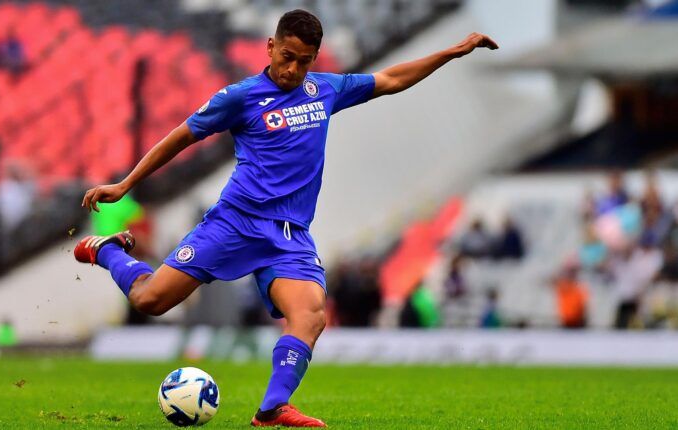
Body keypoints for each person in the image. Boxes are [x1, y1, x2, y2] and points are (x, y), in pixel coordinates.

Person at [74, 9, 497, 427]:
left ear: (315, 58)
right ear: (271, 46)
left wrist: (450, 53)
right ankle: (109, 250)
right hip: (234, 224)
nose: (293, 69)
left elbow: (390, 79)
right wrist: (126, 184)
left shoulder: (325, 90)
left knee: (311, 315)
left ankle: (272, 410)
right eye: (287, 57)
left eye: (304, 61)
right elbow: (182, 136)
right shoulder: (240, 97)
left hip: (289, 235)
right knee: (151, 300)